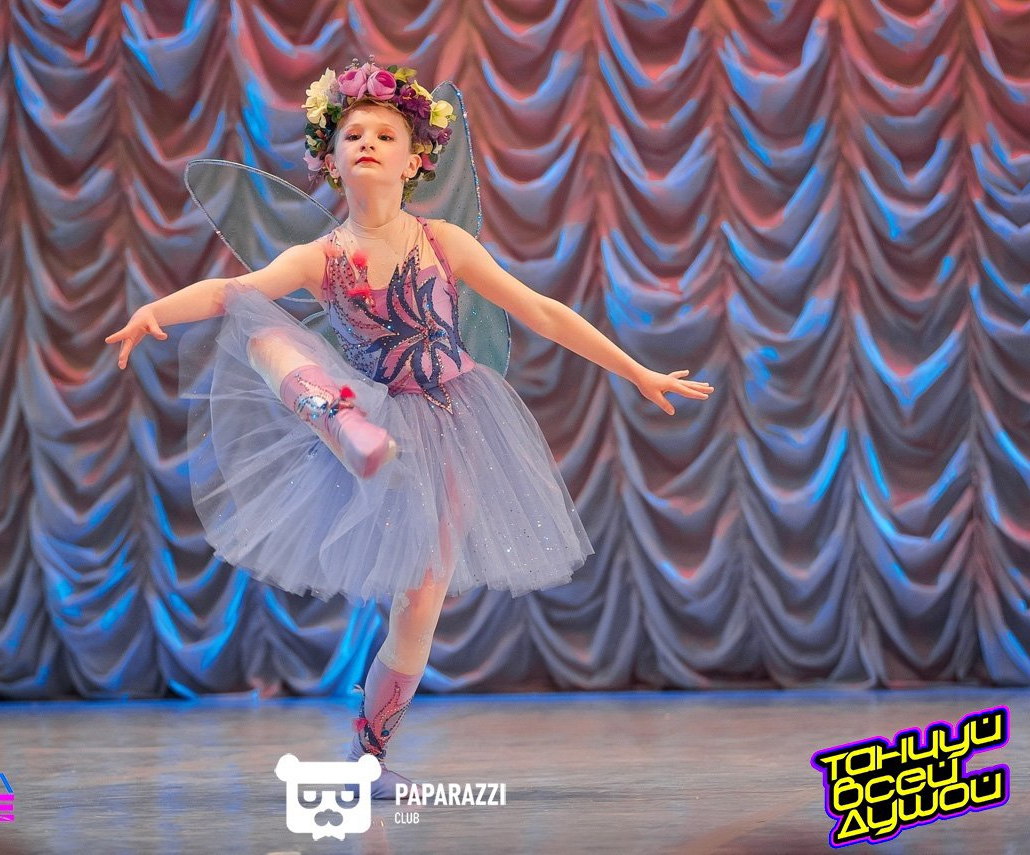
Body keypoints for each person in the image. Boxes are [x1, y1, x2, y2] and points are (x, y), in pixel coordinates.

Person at [106, 60, 714, 799]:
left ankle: (368, 754)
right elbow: (229, 291)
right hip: (367, 415)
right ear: (330, 161)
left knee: (420, 604)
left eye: (385, 134)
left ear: (414, 160)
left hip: (453, 422)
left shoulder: (443, 241)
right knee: (259, 328)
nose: (367, 142)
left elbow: (541, 312)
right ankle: (341, 424)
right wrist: (156, 310)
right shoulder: (317, 258)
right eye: (353, 134)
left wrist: (637, 371)